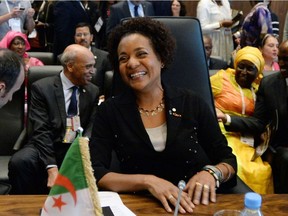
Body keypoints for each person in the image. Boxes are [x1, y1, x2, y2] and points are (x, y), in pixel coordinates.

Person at [89, 17, 237, 214]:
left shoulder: (191, 102)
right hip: (135, 207)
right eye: (123, 58)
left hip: (191, 205)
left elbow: (227, 159)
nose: (131, 63)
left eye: (141, 54)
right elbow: (95, 172)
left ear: (162, 58)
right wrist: (148, 181)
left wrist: (211, 173)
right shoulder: (109, 110)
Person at [8, 44, 99, 194]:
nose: (93, 72)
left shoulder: (92, 90)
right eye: (88, 67)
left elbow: (92, 124)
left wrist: (83, 146)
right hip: (47, 143)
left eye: (93, 66)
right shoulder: (42, 88)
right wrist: (51, 167)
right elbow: (41, 130)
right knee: (21, 162)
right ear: (70, 66)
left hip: (77, 145)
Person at [216, 40, 288, 193]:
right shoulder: (269, 85)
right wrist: (225, 118)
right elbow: (259, 121)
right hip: (276, 144)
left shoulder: (257, 86)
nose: (281, 63)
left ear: (257, 71)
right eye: (280, 58)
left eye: (286, 59)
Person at [58, 22, 112, 98]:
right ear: (74, 38)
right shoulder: (62, 58)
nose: (82, 38)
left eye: (85, 34)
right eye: (79, 35)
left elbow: (108, 83)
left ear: (91, 37)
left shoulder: (104, 57)